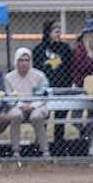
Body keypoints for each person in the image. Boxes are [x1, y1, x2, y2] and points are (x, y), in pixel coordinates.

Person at [32, 19, 74, 149]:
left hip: (62, 88)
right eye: (55, 31)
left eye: (59, 31)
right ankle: (40, 144)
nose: (58, 34)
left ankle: (58, 145)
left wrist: (67, 84)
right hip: (45, 89)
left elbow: (69, 67)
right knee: (43, 117)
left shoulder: (65, 48)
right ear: (48, 32)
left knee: (60, 119)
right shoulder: (39, 49)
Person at [4, 47, 50, 158]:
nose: (24, 63)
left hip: (37, 105)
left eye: (27, 60)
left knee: (37, 117)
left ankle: (44, 150)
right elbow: (8, 96)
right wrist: (21, 105)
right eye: (21, 60)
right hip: (17, 106)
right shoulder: (9, 77)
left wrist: (33, 106)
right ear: (16, 61)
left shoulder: (39, 76)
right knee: (15, 115)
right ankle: (15, 150)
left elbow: (44, 95)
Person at [71, 18, 93, 144]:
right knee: (76, 118)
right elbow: (84, 66)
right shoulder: (80, 48)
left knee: (92, 117)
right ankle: (84, 133)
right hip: (81, 86)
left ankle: (86, 144)